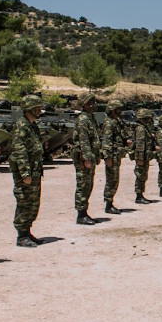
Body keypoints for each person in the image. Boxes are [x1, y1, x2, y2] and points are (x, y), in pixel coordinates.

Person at [10, 94, 47, 247]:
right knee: (24, 201)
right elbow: (20, 151)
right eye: (37, 107)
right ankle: (21, 235)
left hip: (35, 170)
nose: (40, 110)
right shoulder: (21, 125)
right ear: (30, 109)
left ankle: (27, 231)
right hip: (27, 172)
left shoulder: (32, 125)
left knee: (33, 202)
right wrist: (25, 173)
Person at [71, 93, 100, 225]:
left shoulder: (90, 118)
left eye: (93, 102)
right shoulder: (83, 119)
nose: (92, 105)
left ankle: (84, 211)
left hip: (90, 156)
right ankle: (81, 214)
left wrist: (96, 155)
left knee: (88, 184)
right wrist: (87, 158)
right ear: (83, 105)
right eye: (89, 103)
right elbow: (83, 140)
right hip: (83, 157)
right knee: (83, 185)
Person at [101, 100, 127, 214]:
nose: (120, 112)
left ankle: (110, 203)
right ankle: (108, 204)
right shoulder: (109, 123)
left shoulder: (115, 121)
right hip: (112, 155)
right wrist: (107, 157)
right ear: (112, 110)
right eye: (118, 109)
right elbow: (106, 141)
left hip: (116, 154)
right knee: (111, 180)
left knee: (115, 180)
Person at [132, 108, 156, 203]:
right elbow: (140, 144)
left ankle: (141, 194)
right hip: (142, 156)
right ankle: (139, 196)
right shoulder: (141, 129)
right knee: (140, 175)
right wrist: (140, 158)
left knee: (143, 175)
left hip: (145, 156)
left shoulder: (144, 127)